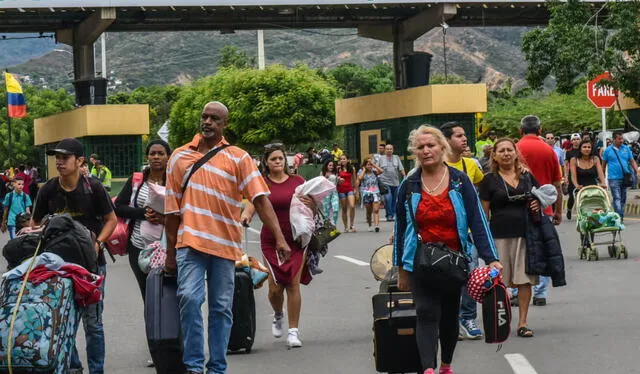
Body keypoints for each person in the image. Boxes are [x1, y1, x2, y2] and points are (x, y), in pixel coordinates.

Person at [164, 101, 289, 374]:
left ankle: (217, 366)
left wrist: (279, 238)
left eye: (214, 119)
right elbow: (171, 211)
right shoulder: (179, 157)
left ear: (224, 125)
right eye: (204, 117)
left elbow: (260, 199)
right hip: (189, 243)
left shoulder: (239, 157)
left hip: (225, 245)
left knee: (221, 307)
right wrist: (170, 254)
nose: (207, 122)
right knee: (189, 298)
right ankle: (194, 366)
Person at [394, 125, 501, 374]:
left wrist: (491, 258)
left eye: (430, 145)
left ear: (442, 147)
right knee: (425, 312)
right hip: (420, 261)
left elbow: (477, 220)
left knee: (449, 316)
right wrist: (401, 268)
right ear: (414, 152)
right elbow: (400, 228)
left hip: (454, 261)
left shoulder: (459, 181)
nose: (426, 150)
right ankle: (428, 369)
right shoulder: (409, 184)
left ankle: (445, 365)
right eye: (420, 147)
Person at [31, 137, 117, 374]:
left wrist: (98, 243)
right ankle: (74, 367)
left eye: (64, 157)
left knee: (93, 324)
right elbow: (35, 223)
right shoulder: (48, 189)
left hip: (92, 267)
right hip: (58, 269)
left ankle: (96, 370)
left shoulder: (94, 187)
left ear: (80, 161)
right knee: (63, 321)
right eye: (57, 158)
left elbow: (111, 220)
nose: (59, 162)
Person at [242, 143, 316, 348]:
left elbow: (313, 206)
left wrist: (312, 205)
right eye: (273, 159)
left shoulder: (298, 181)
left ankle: (293, 331)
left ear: (286, 161)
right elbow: (252, 205)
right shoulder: (261, 183)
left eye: (280, 158)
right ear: (266, 162)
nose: (277, 162)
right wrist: (246, 217)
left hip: (296, 238)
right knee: (275, 288)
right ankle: (277, 314)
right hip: (271, 240)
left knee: (293, 283)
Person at [480, 138, 541, 338]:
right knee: (499, 283)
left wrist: (536, 205)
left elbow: (541, 197)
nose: (506, 153)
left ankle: (523, 323)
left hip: (525, 235)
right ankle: (500, 322)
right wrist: (484, 243)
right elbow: (483, 214)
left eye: (510, 150)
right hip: (499, 237)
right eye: (502, 151)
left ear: (516, 153)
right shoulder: (489, 180)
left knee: (525, 280)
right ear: (494, 156)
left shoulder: (527, 176)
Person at [440, 121, 484, 341]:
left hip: (466, 232)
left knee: (472, 272)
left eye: (464, 135)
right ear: (447, 141)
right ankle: (448, 319)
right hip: (441, 233)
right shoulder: (436, 165)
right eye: (459, 136)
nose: (464, 139)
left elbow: (486, 189)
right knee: (446, 277)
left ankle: (467, 317)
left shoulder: (471, 165)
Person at [114, 140, 171, 300]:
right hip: (138, 248)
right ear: (147, 157)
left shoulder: (175, 182)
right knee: (148, 295)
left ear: (168, 157)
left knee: (167, 294)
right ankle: (151, 325)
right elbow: (118, 206)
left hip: (168, 248)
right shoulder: (137, 181)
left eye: (161, 153)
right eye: (152, 154)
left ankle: (169, 325)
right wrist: (142, 213)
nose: (156, 157)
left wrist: (162, 218)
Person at [516, 115, 563, 307]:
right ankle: (540, 293)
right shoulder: (549, 150)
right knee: (543, 249)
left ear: (521, 130)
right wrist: (558, 210)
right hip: (545, 207)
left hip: (518, 209)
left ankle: (516, 289)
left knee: (519, 250)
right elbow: (557, 184)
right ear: (540, 130)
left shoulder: (514, 149)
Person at [602, 131, 640, 221]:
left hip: (625, 177)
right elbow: (603, 164)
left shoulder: (626, 149)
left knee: (623, 198)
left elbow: (632, 161)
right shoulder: (608, 150)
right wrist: (602, 176)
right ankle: (619, 216)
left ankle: (618, 213)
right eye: (619, 139)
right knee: (617, 197)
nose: (621, 140)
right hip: (613, 178)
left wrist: (637, 171)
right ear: (614, 139)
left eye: (622, 138)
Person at [376, 143, 406, 221]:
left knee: (394, 199)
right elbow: (376, 169)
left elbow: (401, 169)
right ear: (385, 150)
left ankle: (393, 214)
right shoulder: (381, 158)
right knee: (388, 198)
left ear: (392, 150)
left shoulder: (396, 158)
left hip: (395, 183)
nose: (389, 150)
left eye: (390, 149)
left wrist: (405, 177)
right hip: (385, 182)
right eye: (387, 149)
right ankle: (389, 215)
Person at [356, 158, 383, 232]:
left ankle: (376, 226)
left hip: (375, 193)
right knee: (369, 211)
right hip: (366, 193)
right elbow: (360, 178)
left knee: (376, 210)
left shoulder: (374, 172)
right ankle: (370, 224)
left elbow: (381, 171)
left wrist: (374, 165)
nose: (370, 166)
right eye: (368, 165)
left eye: (370, 164)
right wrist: (364, 170)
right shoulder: (361, 171)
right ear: (365, 165)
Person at [336, 154, 357, 232]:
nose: (342, 160)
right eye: (341, 159)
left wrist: (356, 189)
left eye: (344, 159)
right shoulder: (338, 169)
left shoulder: (352, 168)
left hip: (349, 189)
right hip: (341, 190)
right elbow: (335, 180)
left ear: (347, 160)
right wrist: (338, 178)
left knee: (352, 206)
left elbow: (354, 180)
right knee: (344, 208)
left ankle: (352, 225)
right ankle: (345, 227)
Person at [564, 133, 582, 220]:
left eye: (577, 139)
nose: (576, 141)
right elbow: (566, 165)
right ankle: (569, 209)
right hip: (572, 176)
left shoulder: (583, 150)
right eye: (574, 139)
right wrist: (566, 177)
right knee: (572, 195)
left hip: (582, 175)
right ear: (571, 141)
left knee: (582, 194)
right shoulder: (569, 152)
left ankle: (581, 212)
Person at [321, 160, 340, 225]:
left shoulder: (335, 173)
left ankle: (334, 224)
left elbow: (337, 183)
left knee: (336, 209)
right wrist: (325, 177)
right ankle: (327, 225)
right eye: (330, 165)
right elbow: (320, 183)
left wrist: (340, 180)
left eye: (332, 165)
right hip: (326, 193)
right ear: (326, 166)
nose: (331, 167)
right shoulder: (322, 173)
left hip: (334, 193)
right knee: (326, 211)